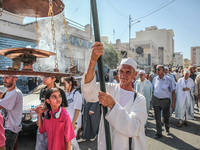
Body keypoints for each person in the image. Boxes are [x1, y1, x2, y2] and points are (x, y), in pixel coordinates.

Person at [81, 42, 147, 150]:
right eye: (121, 71)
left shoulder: (139, 99)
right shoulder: (110, 89)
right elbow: (89, 92)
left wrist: (112, 105)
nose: (123, 75)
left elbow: (133, 128)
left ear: (135, 75)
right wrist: (92, 61)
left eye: (128, 72)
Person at [35, 76, 68, 150]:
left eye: (46, 77)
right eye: (43, 77)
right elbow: (43, 104)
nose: (43, 79)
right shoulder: (43, 90)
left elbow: (63, 108)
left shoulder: (60, 91)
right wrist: (39, 116)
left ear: (54, 79)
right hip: (44, 120)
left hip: (55, 122)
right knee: (41, 144)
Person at [152, 65, 176, 139]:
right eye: (156, 69)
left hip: (165, 101)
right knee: (157, 118)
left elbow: (173, 91)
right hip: (156, 100)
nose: (157, 71)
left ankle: (167, 128)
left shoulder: (169, 79)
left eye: (159, 69)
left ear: (163, 70)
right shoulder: (154, 79)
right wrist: (153, 100)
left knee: (166, 117)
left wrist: (173, 103)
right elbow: (153, 90)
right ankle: (159, 133)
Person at [0, 75, 23, 150]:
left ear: (15, 79)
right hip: (7, 128)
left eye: (7, 78)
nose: (4, 80)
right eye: (3, 78)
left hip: (9, 129)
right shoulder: (9, 92)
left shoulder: (15, 93)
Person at [63, 76, 82, 150]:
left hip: (74, 120)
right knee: (69, 140)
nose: (63, 86)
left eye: (65, 83)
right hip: (67, 120)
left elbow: (78, 109)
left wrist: (73, 122)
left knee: (71, 139)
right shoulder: (65, 94)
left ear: (70, 83)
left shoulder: (76, 93)